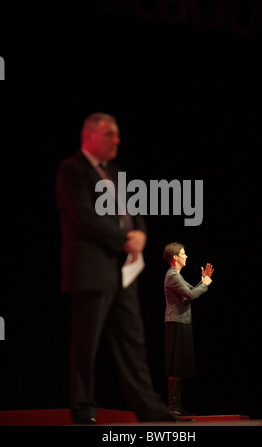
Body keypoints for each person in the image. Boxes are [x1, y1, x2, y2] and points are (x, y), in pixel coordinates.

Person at [56, 112, 178, 424]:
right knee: (86, 344)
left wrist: (141, 233)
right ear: (90, 136)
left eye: (117, 134)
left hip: (122, 272)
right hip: (91, 270)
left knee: (133, 342)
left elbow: (134, 211)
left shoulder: (114, 171)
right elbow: (85, 216)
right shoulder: (72, 170)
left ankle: (151, 411)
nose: (117, 140)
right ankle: (83, 411)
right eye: (110, 134)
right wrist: (125, 239)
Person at [162, 242, 214, 416]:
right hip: (176, 322)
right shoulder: (172, 275)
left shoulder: (177, 275)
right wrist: (205, 284)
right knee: (176, 365)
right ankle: (173, 405)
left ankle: (176, 405)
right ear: (175, 257)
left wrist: (202, 281)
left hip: (181, 322)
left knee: (180, 365)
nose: (186, 256)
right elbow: (192, 295)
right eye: (184, 253)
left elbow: (190, 291)